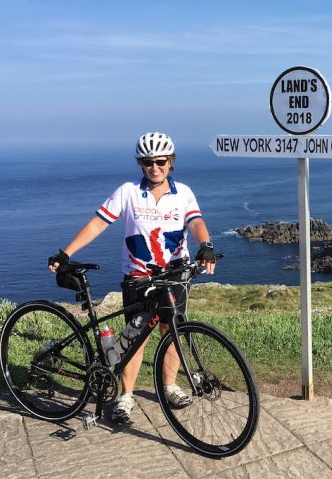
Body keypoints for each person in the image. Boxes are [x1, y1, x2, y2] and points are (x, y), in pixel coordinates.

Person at [48, 132, 217, 423]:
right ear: (141, 164)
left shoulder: (184, 193)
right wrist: (66, 252)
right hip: (138, 278)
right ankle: (125, 395)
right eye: (148, 162)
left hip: (174, 275)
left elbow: (196, 222)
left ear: (170, 162)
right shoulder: (127, 192)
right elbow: (99, 222)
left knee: (172, 330)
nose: (155, 167)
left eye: (160, 161)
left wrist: (206, 246)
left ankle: (169, 386)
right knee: (135, 336)